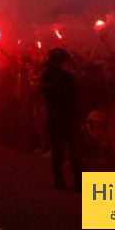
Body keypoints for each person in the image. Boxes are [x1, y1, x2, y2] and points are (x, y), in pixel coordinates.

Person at [40, 48, 81, 190]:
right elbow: (75, 97)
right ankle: (78, 183)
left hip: (53, 117)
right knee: (74, 149)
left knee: (57, 150)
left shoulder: (45, 77)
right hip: (68, 117)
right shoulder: (67, 77)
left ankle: (59, 181)